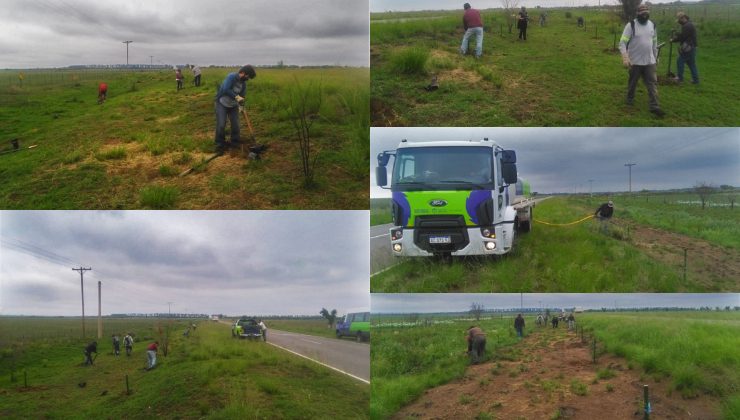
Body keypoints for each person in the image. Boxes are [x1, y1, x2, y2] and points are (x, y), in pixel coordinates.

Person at [619, 4, 664, 117]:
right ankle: (630, 98)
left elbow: (654, 43)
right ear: (638, 14)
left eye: (646, 12)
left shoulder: (652, 25)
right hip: (635, 61)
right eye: (642, 13)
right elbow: (622, 43)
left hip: (649, 61)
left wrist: (656, 57)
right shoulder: (631, 25)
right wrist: (625, 57)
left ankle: (654, 106)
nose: (645, 14)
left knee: (652, 83)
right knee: (633, 82)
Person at [214, 65, 257, 154]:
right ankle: (220, 143)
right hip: (222, 103)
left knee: (236, 124)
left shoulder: (243, 84)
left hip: (233, 106)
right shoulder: (231, 77)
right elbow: (226, 89)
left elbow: (242, 96)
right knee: (221, 124)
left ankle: (235, 141)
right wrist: (237, 97)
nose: (247, 79)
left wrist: (241, 104)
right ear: (244, 73)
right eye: (248, 76)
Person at [670, 12, 699, 84]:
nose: (679, 22)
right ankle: (696, 80)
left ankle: (679, 78)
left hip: (688, 48)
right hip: (693, 47)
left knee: (680, 61)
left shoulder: (686, 26)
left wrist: (673, 40)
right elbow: (685, 35)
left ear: (683, 18)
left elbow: (683, 37)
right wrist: (677, 33)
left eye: (679, 20)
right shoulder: (689, 24)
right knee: (692, 64)